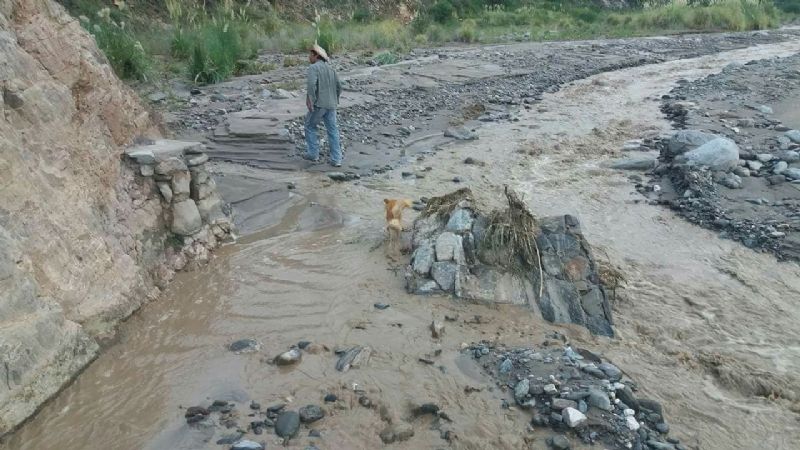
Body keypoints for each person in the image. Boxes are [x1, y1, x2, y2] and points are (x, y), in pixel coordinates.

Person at [304, 43, 343, 167]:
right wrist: (335, 99)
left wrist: (310, 100)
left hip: (319, 104)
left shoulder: (313, 68)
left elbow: (311, 85)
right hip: (332, 105)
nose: (309, 57)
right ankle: (336, 159)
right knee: (333, 131)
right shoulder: (331, 69)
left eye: (310, 54)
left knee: (309, 126)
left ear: (316, 56)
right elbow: (339, 87)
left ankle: (313, 154)